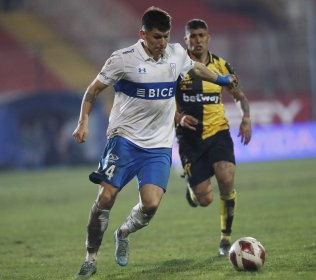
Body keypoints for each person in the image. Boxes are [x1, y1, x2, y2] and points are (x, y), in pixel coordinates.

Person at [72, 7, 237, 278]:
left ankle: (123, 232)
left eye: (165, 37)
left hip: (158, 145)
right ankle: (90, 258)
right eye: (157, 37)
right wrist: (83, 122)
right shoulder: (122, 60)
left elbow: (195, 68)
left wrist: (221, 79)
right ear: (143, 34)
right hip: (124, 139)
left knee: (150, 204)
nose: (162, 43)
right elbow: (93, 90)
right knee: (106, 197)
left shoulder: (175, 54)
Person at [174, 19, 252, 257]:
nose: (198, 40)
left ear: (208, 38)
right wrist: (178, 118)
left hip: (218, 131)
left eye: (201, 35)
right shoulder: (176, 66)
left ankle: (225, 238)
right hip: (189, 139)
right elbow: (162, 103)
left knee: (226, 177)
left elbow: (239, 95)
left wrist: (246, 118)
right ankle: (193, 190)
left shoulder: (222, 65)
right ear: (186, 40)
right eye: (193, 36)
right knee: (205, 199)